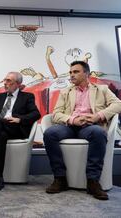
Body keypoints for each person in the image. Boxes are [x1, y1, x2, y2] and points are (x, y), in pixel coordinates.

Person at [43, 61, 121, 200]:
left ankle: (93, 181)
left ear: (86, 74)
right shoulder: (65, 91)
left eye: (76, 72)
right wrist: (72, 120)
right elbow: (56, 114)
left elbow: (118, 104)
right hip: (70, 126)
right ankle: (60, 178)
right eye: (71, 72)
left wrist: (98, 115)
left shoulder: (102, 89)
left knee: (99, 133)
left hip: (90, 126)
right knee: (50, 133)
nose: (72, 75)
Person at [0, 71, 40, 191]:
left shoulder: (27, 97)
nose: (5, 83)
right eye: (4, 80)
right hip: (1, 130)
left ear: (17, 84)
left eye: (8, 81)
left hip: (17, 129)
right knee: (1, 135)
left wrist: (19, 119)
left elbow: (36, 114)